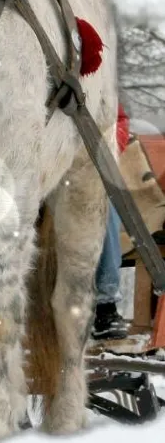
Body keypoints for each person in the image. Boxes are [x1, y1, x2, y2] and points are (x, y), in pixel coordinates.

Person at [91, 104, 130, 340]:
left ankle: (104, 307)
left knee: (104, 203)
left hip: (87, 165)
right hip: (38, 164)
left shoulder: (102, 77)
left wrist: (105, 149)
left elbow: (119, 121)